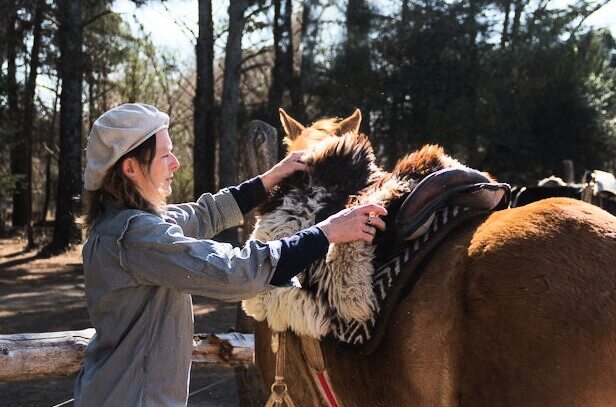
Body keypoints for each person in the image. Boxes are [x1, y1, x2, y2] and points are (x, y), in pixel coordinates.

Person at [73, 103, 386, 406]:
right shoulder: (136, 236)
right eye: (166, 154)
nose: (175, 163)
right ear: (130, 168)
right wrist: (325, 233)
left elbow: (203, 214)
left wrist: (270, 178)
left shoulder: (121, 223)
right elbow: (235, 272)